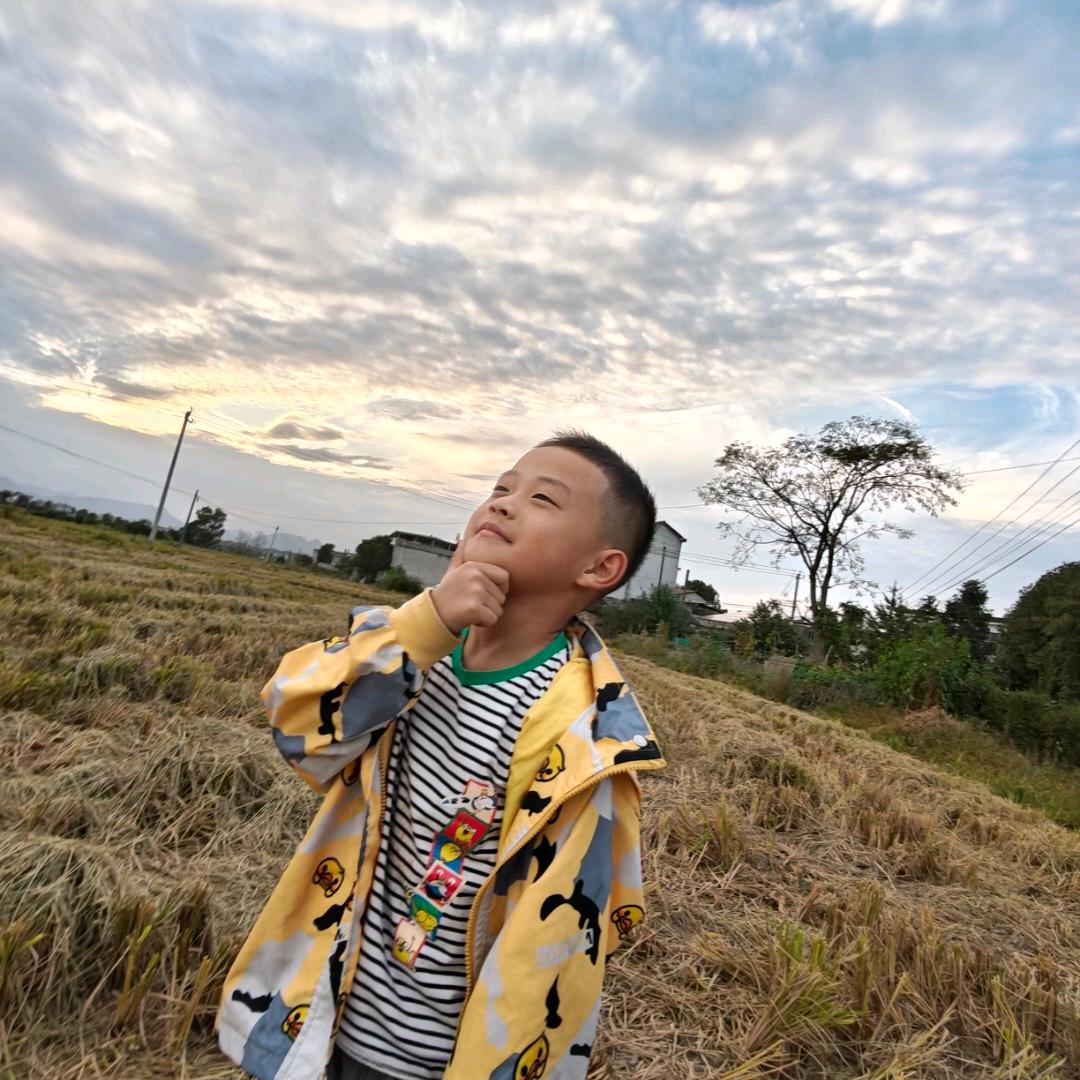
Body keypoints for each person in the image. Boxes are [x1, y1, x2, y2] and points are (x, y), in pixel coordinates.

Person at [214, 428, 668, 1080]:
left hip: (434, 1060)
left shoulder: (585, 740)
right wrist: (425, 623)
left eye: (542, 498)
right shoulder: (412, 652)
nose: (503, 503)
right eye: (501, 487)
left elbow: (563, 940)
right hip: (317, 1018)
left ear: (599, 568)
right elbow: (296, 724)